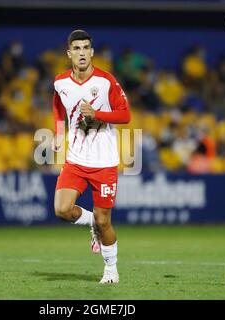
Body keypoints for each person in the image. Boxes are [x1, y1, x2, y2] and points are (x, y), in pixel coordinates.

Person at [52, 30, 131, 284]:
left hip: (104, 163)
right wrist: (58, 133)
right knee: (62, 209)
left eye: (86, 47)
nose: (82, 52)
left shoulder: (106, 81)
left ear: (92, 52)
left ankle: (111, 270)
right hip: (75, 160)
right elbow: (57, 106)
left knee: (104, 221)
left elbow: (125, 115)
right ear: (69, 53)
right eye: (77, 48)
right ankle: (90, 224)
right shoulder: (60, 82)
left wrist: (98, 114)